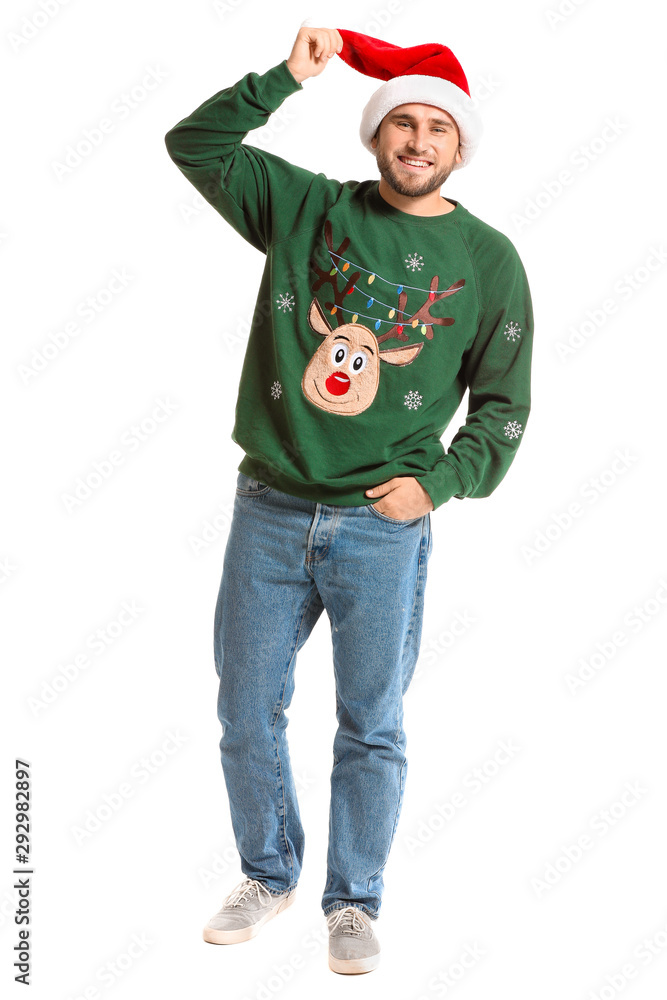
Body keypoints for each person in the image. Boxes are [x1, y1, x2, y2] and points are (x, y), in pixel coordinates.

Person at [164, 24, 533, 976]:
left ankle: (352, 901)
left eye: (436, 129)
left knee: (371, 721)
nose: (416, 140)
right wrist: (287, 76)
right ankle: (267, 872)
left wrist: (439, 486)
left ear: (459, 147)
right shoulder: (304, 208)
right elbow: (193, 146)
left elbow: (503, 406)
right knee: (247, 709)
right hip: (270, 508)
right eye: (400, 123)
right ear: (375, 138)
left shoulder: (487, 260)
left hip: (382, 526)